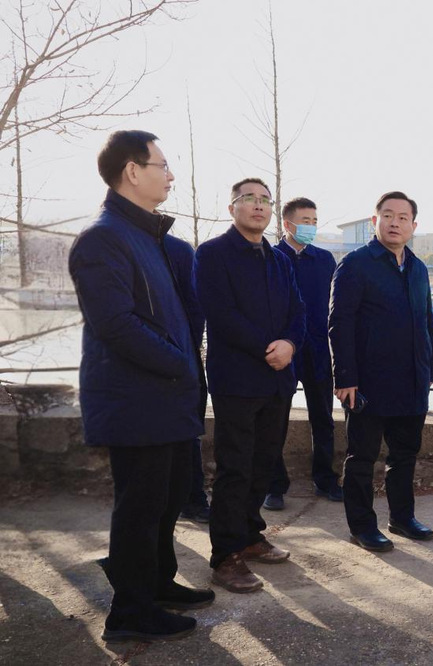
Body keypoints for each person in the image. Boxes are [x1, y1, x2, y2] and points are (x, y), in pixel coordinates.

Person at [69, 130, 213, 642]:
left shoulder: (147, 237)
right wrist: (180, 362)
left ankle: (156, 583)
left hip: (166, 397)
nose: (170, 175)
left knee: (169, 499)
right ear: (132, 170)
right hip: (136, 400)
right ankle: (129, 612)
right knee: (140, 507)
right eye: (162, 165)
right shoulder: (103, 238)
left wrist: (183, 367)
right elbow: (115, 324)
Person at [195, 178, 305, 592]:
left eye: (265, 200)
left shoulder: (279, 259)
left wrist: (290, 343)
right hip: (237, 380)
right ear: (232, 208)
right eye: (249, 199)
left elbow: (299, 310)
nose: (258, 206)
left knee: (264, 463)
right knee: (235, 468)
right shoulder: (212, 254)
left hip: (278, 379)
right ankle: (225, 555)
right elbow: (220, 313)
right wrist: (267, 348)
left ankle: (249, 535)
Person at [329, 191, 433, 553]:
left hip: (413, 380)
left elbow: (427, 321)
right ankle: (362, 526)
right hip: (368, 382)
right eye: (388, 216)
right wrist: (345, 377)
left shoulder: (418, 268)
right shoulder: (356, 264)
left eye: (403, 217)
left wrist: (430, 367)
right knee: (362, 458)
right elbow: (339, 322)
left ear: (413, 226)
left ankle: (402, 518)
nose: (395, 223)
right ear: (374, 221)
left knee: (404, 455)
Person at [263, 197, 343, 511]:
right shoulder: (270, 257)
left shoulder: (324, 260)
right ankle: (274, 486)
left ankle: (325, 479)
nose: (310, 226)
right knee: (275, 420)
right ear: (287, 224)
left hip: (319, 350)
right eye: (305, 221)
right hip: (283, 350)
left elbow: (336, 306)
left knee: (323, 418)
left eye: (314, 221)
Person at [167, 234, 212, 526]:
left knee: (188, 436)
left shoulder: (179, 250)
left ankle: (193, 500)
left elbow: (196, 308)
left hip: (183, 362)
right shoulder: (116, 243)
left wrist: (185, 351)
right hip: (140, 368)